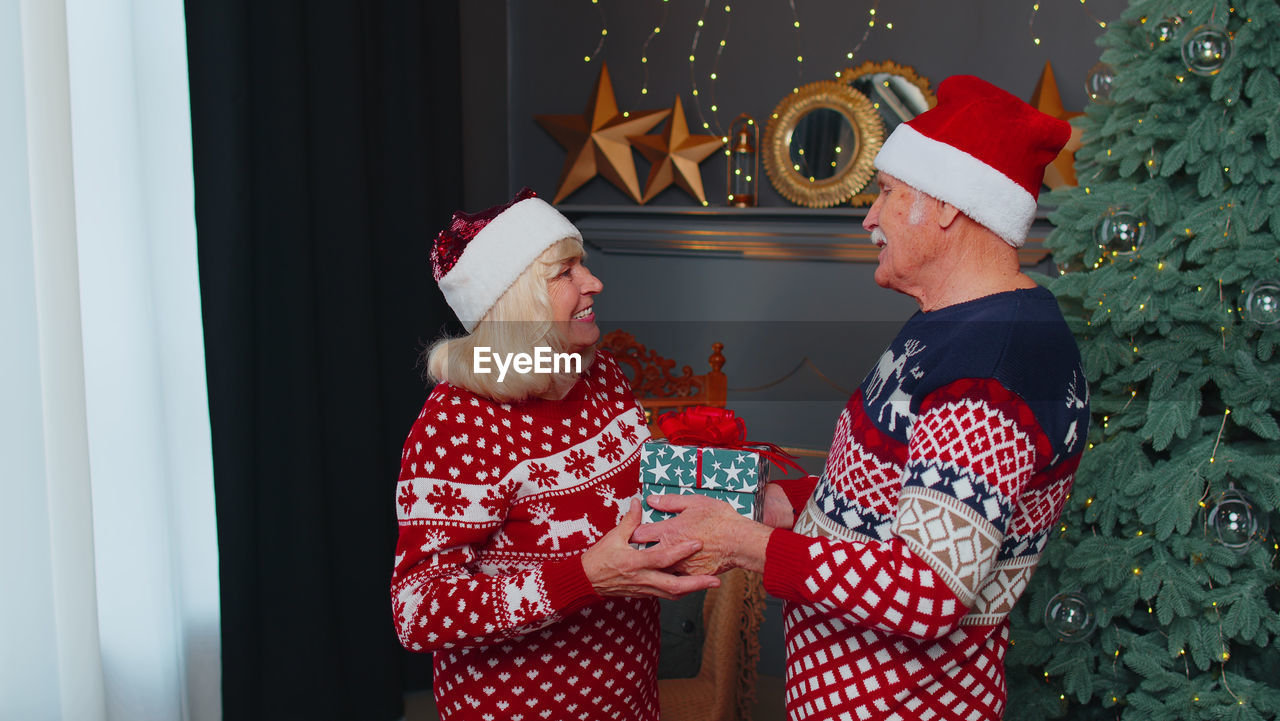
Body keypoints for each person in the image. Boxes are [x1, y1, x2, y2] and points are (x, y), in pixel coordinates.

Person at [634, 75, 1093, 721]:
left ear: (947, 206)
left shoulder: (989, 367)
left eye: (885, 192)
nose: (869, 217)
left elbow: (925, 590)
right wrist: (781, 502)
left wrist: (744, 544)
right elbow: (901, 496)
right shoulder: (959, 322)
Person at [390, 188, 719, 721]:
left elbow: (643, 491)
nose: (594, 282)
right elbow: (417, 612)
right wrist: (585, 576)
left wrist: (770, 494)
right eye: (566, 272)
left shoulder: (596, 371)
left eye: (582, 264)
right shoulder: (458, 423)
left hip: (630, 697)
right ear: (520, 299)